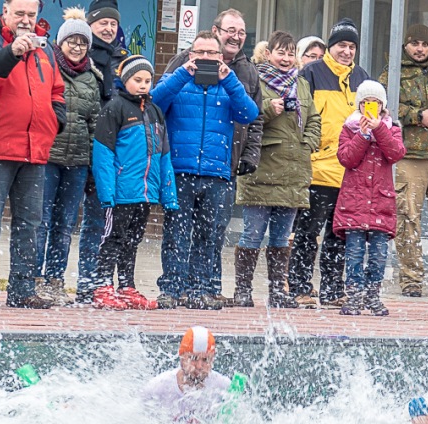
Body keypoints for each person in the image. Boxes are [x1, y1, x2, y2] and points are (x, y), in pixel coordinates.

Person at [0, 0, 66, 309]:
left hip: (34, 150)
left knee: (29, 224)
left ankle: (22, 290)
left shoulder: (47, 48)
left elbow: (57, 91)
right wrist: (12, 53)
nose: (25, 19)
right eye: (19, 13)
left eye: (31, 14)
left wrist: (55, 120)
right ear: (5, 11)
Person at [152, 31, 258, 311]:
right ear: (191, 55)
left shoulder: (228, 86)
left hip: (217, 173)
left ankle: (201, 290)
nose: (206, 58)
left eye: (212, 53)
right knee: (176, 233)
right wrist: (182, 75)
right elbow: (154, 104)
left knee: (208, 236)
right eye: (200, 53)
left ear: (221, 57)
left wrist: (229, 79)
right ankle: (171, 289)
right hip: (180, 170)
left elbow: (249, 113)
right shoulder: (178, 80)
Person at [232, 30, 320, 309]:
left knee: (282, 237)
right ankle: (243, 291)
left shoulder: (301, 84)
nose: (286, 57)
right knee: (252, 235)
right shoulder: (254, 79)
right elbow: (245, 116)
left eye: (290, 52)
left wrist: (308, 143)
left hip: (294, 171)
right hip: (262, 169)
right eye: (280, 52)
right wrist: (269, 110)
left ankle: (277, 292)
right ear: (267, 53)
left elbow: (315, 119)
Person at [290, 18, 369, 308]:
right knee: (307, 234)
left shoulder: (362, 77)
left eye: (351, 47)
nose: (347, 51)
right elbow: (300, 118)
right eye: (341, 45)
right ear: (330, 47)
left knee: (340, 236)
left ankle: (333, 290)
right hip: (317, 170)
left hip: (349, 172)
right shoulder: (311, 72)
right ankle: (299, 286)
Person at [91, 54, 177, 309]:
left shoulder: (156, 112)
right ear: (125, 80)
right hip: (121, 191)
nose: (143, 85)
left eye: (148, 80)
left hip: (145, 192)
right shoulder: (114, 108)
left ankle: (126, 285)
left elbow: (163, 155)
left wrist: (167, 192)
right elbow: (103, 153)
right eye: (137, 79)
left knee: (132, 240)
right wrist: (107, 191)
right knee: (113, 238)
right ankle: (102, 285)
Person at [380, 23, 428, 298]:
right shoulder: (392, 73)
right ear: (406, 45)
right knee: (407, 220)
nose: (420, 49)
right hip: (409, 156)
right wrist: (418, 115)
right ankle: (411, 281)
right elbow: (384, 107)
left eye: (424, 44)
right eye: (415, 44)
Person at [34, 7, 101, 307]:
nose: (77, 47)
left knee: (65, 224)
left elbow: (94, 124)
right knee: (41, 220)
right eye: (71, 41)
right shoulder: (47, 68)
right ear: (59, 42)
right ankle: (33, 278)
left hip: (77, 162)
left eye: (82, 42)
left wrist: (91, 166)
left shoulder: (92, 78)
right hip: (48, 158)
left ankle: (55, 279)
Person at [333, 79, 405, 316]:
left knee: (378, 255)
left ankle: (373, 296)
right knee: (353, 253)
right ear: (359, 105)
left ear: (382, 105)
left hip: (381, 202)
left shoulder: (391, 127)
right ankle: (354, 296)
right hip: (354, 200)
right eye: (365, 103)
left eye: (375, 103)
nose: (370, 107)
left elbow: (395, 153)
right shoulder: (349, 128)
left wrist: (378, 129)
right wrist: (363, 134)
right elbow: (346, 158)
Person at [77, 0, 127, 303]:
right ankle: (74, 281)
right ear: (90, 24)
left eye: (112, 23)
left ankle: (96, 284)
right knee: (67, 221)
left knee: (102, 221)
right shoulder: (80, 55)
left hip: (112, 153)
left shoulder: (124, 59)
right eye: (102, 23)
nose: (108, 28)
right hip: (80, 148)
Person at [143, 326, 232, 424]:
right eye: (193, 358)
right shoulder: (156, 389)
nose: (199, 366)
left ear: (212, 360)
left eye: (205, 360)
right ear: (181, 357)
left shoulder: (224, 388)